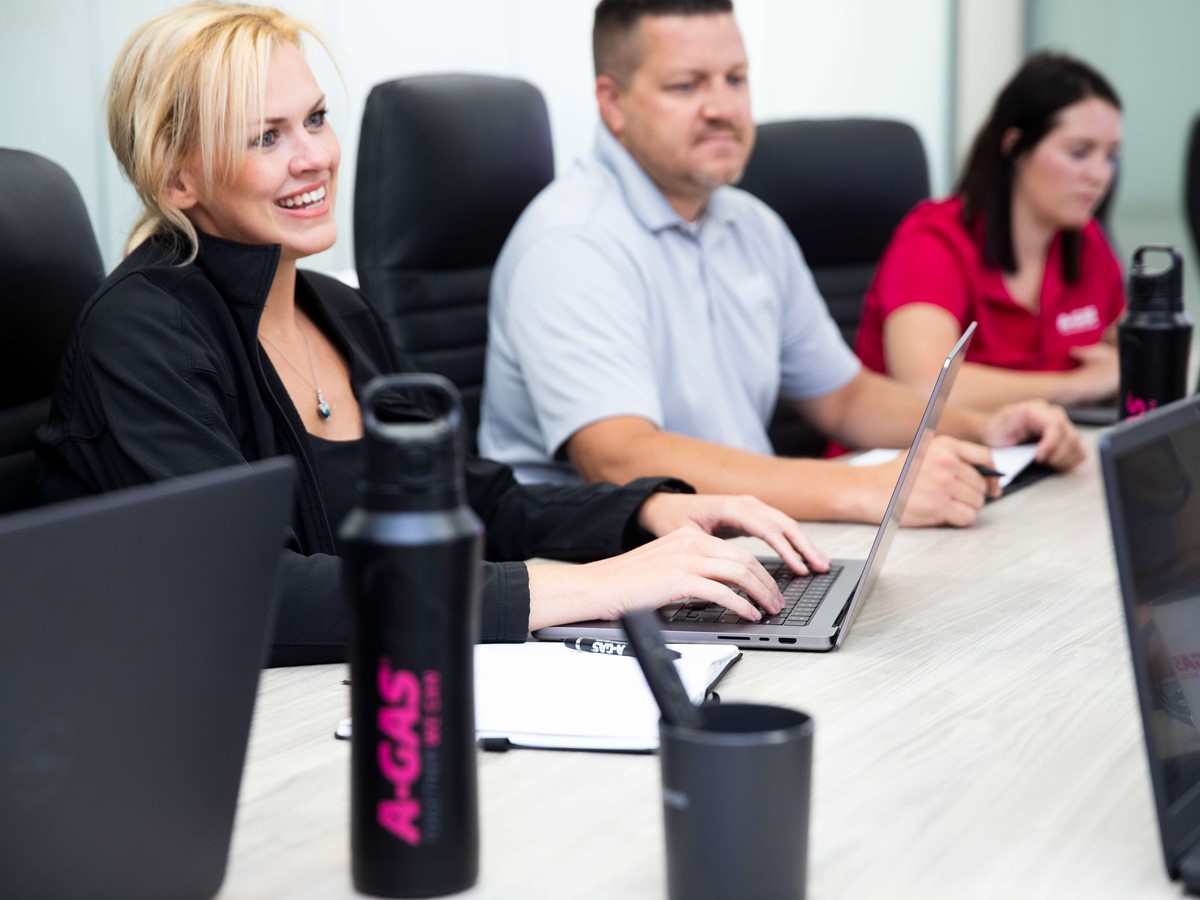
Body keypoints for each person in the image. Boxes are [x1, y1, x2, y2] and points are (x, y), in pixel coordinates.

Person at [36, 1, 830, 666]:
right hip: (225, 737)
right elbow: (254, 596)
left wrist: (647, 516)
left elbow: (473, 497)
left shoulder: (335, 311)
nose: (313, 157)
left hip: (376, 688)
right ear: (178, 175)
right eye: (266, 136)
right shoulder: (141, 335)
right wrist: (593, 587)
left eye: (315, 119)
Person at [479, 0, 1084, 530]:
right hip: (601, 572)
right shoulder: (572, 242)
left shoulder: (749, 224)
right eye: (686, 86)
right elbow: (620, 457)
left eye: (735, 79)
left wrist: (984, 427)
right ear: (612, 103)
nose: (722, 107)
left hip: (736, 541)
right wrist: (864, 489)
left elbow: (843, 398)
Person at [854, 52, 1125, 411]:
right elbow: (927, 386)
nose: (1100, 175)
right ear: (1014, 147)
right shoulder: (934, 240)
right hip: (900, 460)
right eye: (1079, 153)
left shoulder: (1085, 240)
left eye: (1110, 156)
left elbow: (1129, 350)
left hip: (1029, 456)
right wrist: (1078, 385)